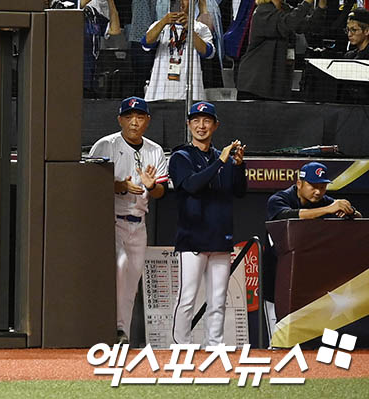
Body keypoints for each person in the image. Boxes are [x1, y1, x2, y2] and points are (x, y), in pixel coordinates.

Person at [87, 97, 168, 344]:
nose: (134, 122)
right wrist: (120, 185)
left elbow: (161, 192)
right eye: (129, 116)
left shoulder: (155, 150)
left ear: (147, 121)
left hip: (138, 223)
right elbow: (89, 182)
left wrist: (151, 186)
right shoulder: (106, 145)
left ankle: (122, 333)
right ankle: (105, 328)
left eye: (140, 117)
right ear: (120, 119)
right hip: (110, 220)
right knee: (119, 270)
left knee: (131, 283)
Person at [168, 101, 247, 348]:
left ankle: (214, 345)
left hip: (220, 237)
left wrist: (239, 166)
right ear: (189, 124)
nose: (201, 125)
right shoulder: (181, 156)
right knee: (188, 297)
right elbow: (192, 185)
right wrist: (221, 162)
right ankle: (181, 346)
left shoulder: (221, 157)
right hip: (193, 237)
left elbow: (240, 192)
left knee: (218, 299)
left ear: (215, 125)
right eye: (196, 121)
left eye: (206, 121)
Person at [263, 161, 362, 334]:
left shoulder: (324, 201)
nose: (318, 191)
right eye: (313, 186)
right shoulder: (279, 199)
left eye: (322, 187)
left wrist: (350, 211)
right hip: (277, 276)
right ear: (299, 183)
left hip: (306, 281)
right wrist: (328, 210)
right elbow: (288, 215)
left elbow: (358, 217)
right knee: (277, 335)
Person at [235, 0, 324, 100]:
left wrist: (322, 2)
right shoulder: (262, 12)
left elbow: (309, 26)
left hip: (275, 85)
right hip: (255, 85)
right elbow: (289, 23)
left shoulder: (285, 9)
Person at [142, 0, 215, 101]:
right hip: (160, 89)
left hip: (191, 88)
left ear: (192, 3)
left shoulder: (200, 27)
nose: (181, 2)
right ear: (171, 2)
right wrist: (164, 21)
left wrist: (189, 29)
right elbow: (146, 43)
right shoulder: (160, 25)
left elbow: (208, 53)